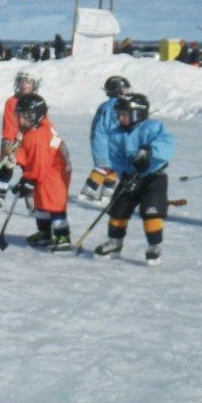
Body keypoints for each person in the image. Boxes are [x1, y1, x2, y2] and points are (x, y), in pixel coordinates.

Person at [94, 93, 176, 265]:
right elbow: (116, 158)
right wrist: (126, 173)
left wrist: (150, 152)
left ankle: (154, 245)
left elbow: (167, 144)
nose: (120, 118)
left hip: (154, 177)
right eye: (119, 114)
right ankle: (115, 242)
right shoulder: (117, 134)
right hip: (130, 178)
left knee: (151, 211)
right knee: (118, 209)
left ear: (137, 114)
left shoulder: (153, 127)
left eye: (124, 114)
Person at [10, 94, 73, 251]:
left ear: (39, 115)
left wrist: (27, 180)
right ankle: (44, 233)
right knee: (41, 203)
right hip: (45, 172)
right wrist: (17, 156)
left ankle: (62, 235)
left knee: (54, 203)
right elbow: (31, 157)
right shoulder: (33, 130)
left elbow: (39, 162)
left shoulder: (39, 135)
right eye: (20, 116)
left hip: (54, 174)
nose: (22, 120)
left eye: (28, 116)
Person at [0, 69, 44, 211]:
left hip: (30, 143)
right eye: (23, 81)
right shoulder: (11, 102)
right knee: (5, 168)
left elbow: (42, 124)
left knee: (32, 171)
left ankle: (31, 199)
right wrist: (8, 142)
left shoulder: (38, 103)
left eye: (29, 82)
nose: (25, 85)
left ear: (34, 85)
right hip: (13, 143)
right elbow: (9, 124)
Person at [79, 76, 131, 203]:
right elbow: (115, 125)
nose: (127, 92)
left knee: (115, 165)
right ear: (117, 90)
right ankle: (89, 189)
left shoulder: (107, 104)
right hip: (105, 142)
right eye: (124, 89)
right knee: (104, 166)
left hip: (102, 140)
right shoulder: (116, 105)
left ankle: (107, 192)